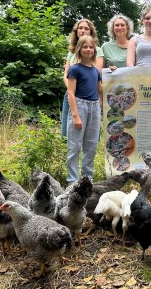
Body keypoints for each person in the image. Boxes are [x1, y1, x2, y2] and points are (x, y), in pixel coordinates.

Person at [66, 35, 103, 184]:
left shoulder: (96, 71)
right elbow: (70, 93)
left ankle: (87, 178)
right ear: (79, 49)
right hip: (80, 106)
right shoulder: (75, 69)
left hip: (94, 107)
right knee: (75, 146)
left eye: (91, 47)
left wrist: (113, 73)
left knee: (91, 146)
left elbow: (100, 90)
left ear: (94, 50)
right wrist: (75, 116)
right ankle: (72, 181)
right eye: (85, 47)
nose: (88, 49)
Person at [61, 19, 104, 137]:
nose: (83, 30)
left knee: (90, 137)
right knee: (68, 133)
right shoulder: (71, 52)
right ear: (76, 31)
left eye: (86, 28)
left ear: (91, 32)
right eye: (80, 28)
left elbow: (96, 75)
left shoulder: (97, 50)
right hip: (71, 97)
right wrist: (72, 91)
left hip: (88, 98)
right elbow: (66, 75)